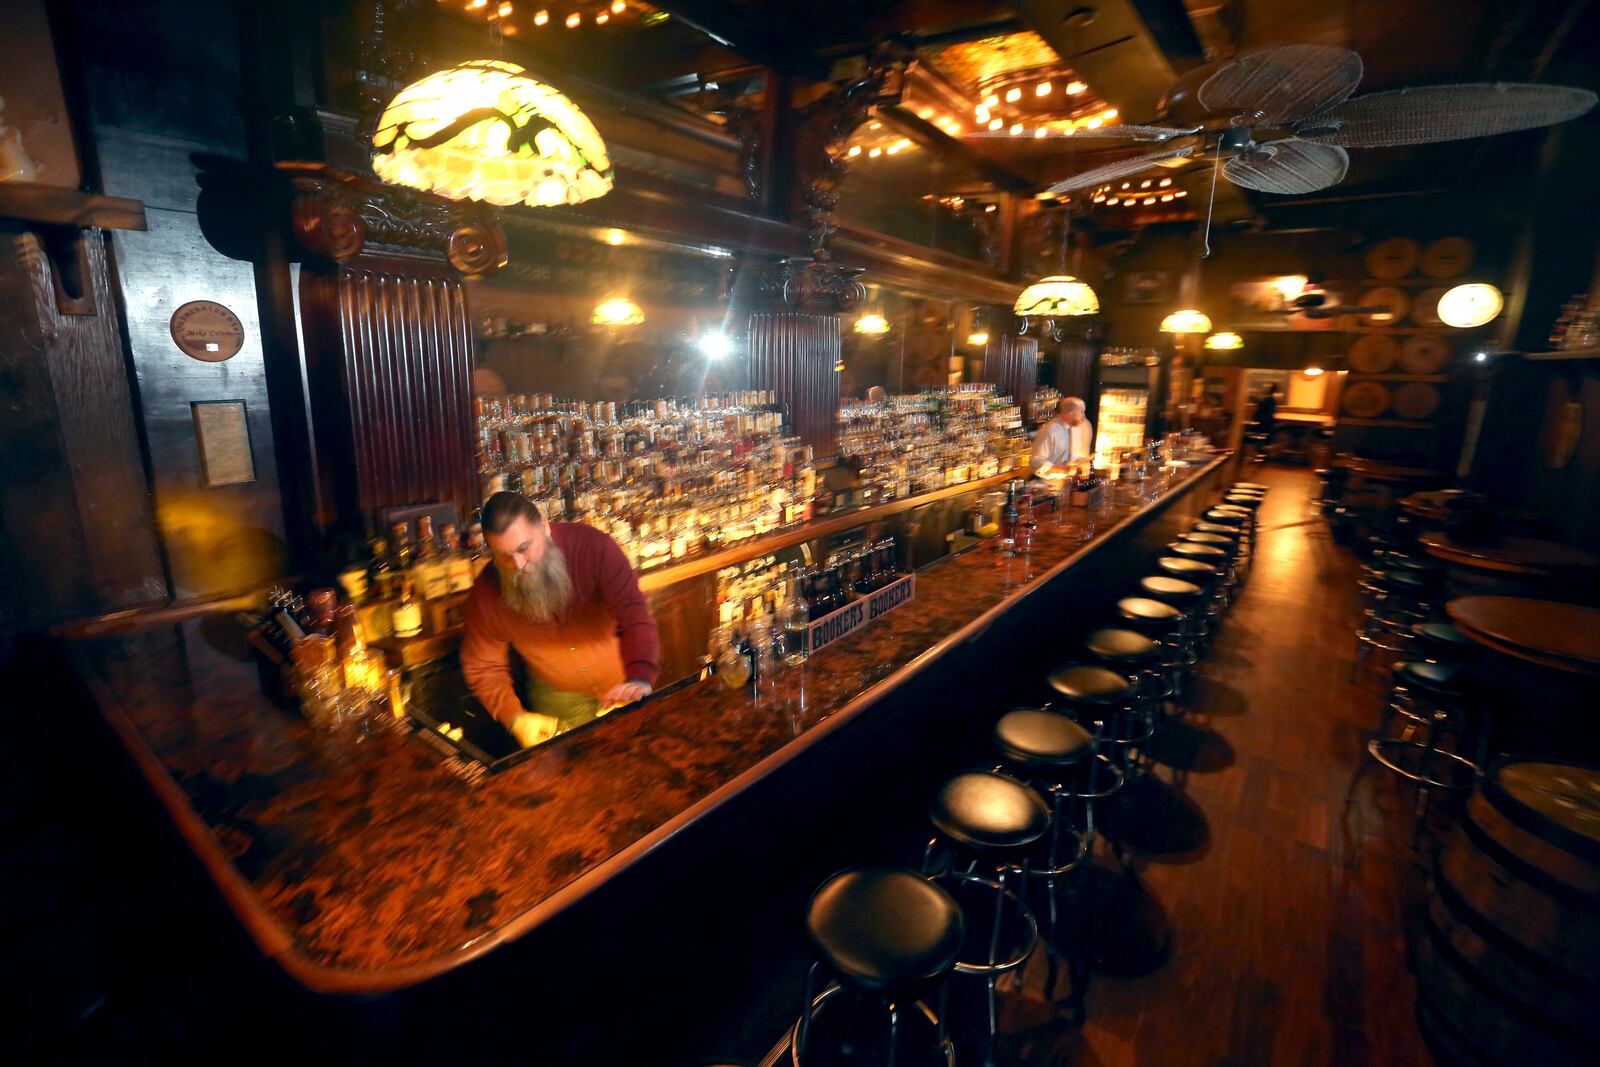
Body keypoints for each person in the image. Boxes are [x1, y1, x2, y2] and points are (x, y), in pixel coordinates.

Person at [460, 492, 660, 748]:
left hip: (622, 681)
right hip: (557, 695)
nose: (518, 564)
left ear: (544, 526)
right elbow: (483, 666)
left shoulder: (593, 547)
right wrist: (515, 718)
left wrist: (640, 677)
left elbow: (634, 613)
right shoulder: (485, 593)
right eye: (504, 556)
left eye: (524, 548)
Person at [1030, 395, 1094, 476]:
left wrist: (1082, 462)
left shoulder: (1076, 428)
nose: (1083, 416)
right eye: (1081, 412)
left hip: (1069, 483)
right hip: (1049, 485)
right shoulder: (1050, 431)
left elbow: (1075, 456)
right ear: (1071, 413)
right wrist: (1062, 470)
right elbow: (1037, 464)